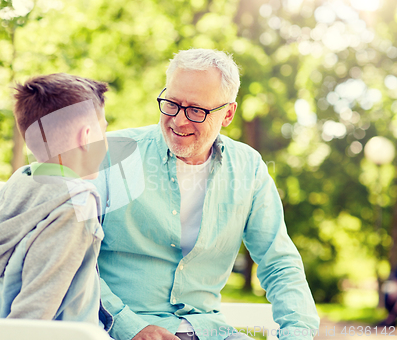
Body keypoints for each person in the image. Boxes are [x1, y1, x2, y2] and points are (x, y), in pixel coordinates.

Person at [93, 49, 320, 340]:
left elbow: (279, 262)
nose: (179, 121)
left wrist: (297, 335)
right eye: (171, 104)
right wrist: (129, 327)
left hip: (210, 330)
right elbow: (75, 257)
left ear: (227, 114)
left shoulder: (248, 168)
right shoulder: (111, 155)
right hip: (119, 328)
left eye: (197, 111)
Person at [0, 73, 112, 330]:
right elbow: (34, 314)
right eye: (103, 131)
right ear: (86, 137)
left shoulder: (20, 183)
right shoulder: (75, 204)